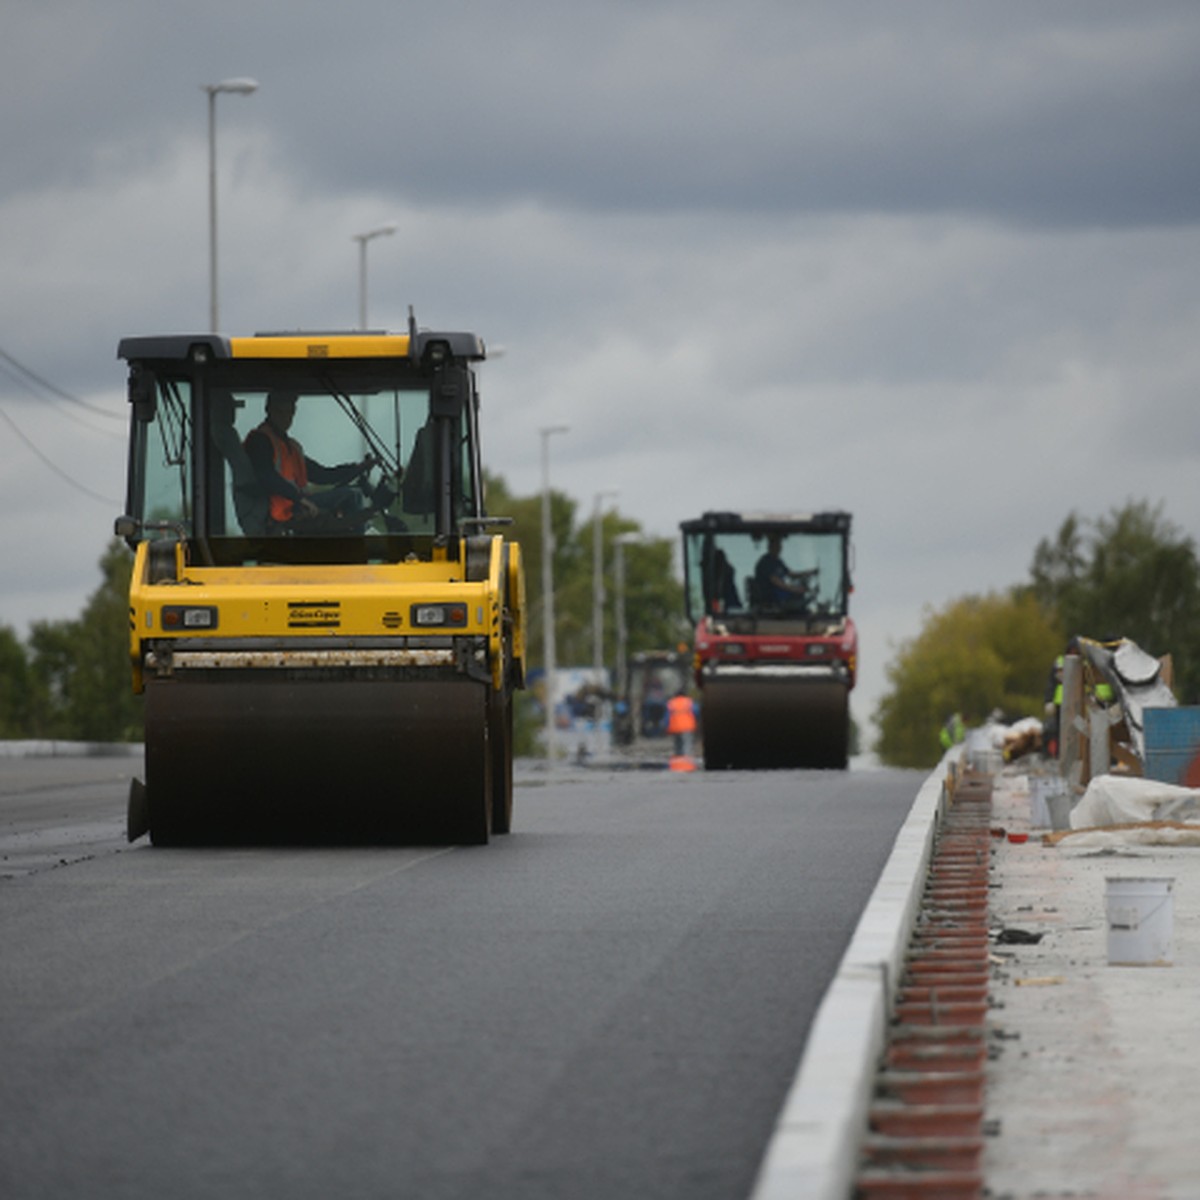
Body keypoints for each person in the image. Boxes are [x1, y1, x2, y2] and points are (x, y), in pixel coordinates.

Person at [243, 392, 369, 530]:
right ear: (268, 410)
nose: (286, 417)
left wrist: (356, 468)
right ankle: (358, 545)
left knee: (354, 492)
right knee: (352, 495)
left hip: (298, 504)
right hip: (283, 510)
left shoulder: (291, 447)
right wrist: (299, 498)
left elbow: (322, 475)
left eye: (290, 412)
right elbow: (265, 475)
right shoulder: (259, 440)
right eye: (280, 412)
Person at [753, 534, 817, 609]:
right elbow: (776, 581)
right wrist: (796, 589)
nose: (779, 548)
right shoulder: (765, 562)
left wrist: (810, 572)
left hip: (783, 596)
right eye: (776, 546)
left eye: (779, 546)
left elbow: (791, 574)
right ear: (769, 547)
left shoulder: (778, 561)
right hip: (773, 600)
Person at [667, 689, 697, 758]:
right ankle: (686, 758)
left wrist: (667, 726)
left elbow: (667, 716)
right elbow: (696, 711)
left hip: (675, 727)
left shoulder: (671, 702)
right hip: (687, 726)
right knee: (687, 743)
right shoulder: (689, 702)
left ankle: (678, 757)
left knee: (677, 744)